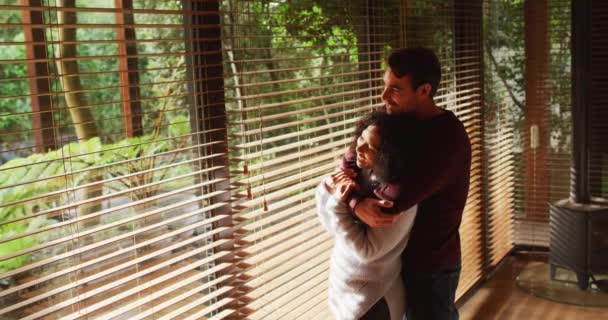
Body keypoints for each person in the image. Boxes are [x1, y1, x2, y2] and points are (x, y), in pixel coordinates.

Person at [341, 47, 472, 320]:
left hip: (429, 268)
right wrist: (356, 202)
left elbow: (395, 198)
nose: (384, 96)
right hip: (392, 261)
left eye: (395, 89)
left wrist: (356, 198)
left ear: (424, 90)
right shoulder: (393, 121)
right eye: (384, 86)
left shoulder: (448, 137)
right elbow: (349, 162)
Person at [316, 112, 419, 320]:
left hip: (373, 298)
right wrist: (333, 191)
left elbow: (368, 250)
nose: (359, 148)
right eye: (361, 138)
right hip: (345, 289)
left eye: (371, 147)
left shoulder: (398, 198)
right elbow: (328, 223)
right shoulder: (361, 171)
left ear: (387, 155)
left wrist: (338, 205)